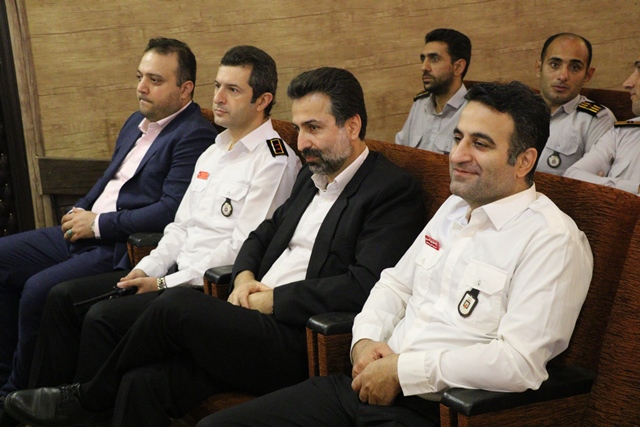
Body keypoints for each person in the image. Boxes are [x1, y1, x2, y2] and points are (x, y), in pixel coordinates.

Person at [3, 67, 426, 427]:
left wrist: (274, 301)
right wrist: (243, 276)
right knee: (140, 383)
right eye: (298, 128)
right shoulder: (312, 173)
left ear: (352, 126)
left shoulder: (390, 190)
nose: (302, 142)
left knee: (176, 306)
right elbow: (262, 234)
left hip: (301, 338)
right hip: (246, 317)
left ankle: (86, 399)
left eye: (314, 128)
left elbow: (363, 284)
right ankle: (89, 401)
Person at [196, 81, 594, 427]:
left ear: (524, 160)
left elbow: (518, 362)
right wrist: (365, 341)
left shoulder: (551, 240)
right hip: (366, 382)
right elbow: (394, 286)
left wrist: (403, 371)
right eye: (458, 138)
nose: (458, 155)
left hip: (439, 412)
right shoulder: (454, 208)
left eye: (480, 144)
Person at [26, 45, 301, 398]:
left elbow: (243, 248)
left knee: (101, 318)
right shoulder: (213, 151)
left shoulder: (274, 162)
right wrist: (147, 269)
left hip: (205, 290)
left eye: (233, 90)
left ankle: (84, 406)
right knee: (63, 297)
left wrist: (163, 283)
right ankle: (41, 404)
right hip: (171, 273)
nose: (218, 98)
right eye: (217, 85)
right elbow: (180, 227)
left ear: (262, 100)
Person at [0, 36, 215, 406]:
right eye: (139, 76)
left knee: (38, 291)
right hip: (84, 228)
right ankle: (4, 376)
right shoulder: (136, 122)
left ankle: (16, 398)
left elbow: (169, 210)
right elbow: (109, 179)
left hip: (120, 245)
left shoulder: (194, 134)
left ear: (186, 89)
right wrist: (79, 208)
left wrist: (97, 223)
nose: (141, 88)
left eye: (155, 80)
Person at [535, 32, 615, 175]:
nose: (563, 76)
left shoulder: (597, 120)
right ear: (538, 68)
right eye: (554, 65)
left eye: (575, 68)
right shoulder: (516, 108)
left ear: (588, 75)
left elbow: (593, 181)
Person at [564, 57, 640, 194]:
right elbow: (571, 177)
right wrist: (633, 188)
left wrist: (601, 186)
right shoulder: (622, 133)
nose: (627, 83)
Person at [395, 28, 472, 154]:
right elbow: (400, 153)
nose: (424, 67)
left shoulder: (475, 111)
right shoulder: (419, 105)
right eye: (423, 59)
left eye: (434, 59)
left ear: (458, 67)